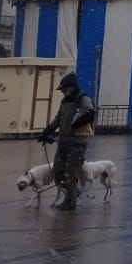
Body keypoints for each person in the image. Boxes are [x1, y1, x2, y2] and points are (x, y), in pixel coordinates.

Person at [40, 71, 95, 211]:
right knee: (57, 171)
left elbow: (90, 114)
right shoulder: (65, 101)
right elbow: (58, 119)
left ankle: (70, 202)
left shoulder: (82, 99)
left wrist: (74, 126)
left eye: (64, 89)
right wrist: (47, 131)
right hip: (63, 142)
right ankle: (73, 192)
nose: (63, 92)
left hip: (77, 143)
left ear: (70, 87)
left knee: (70, 172)